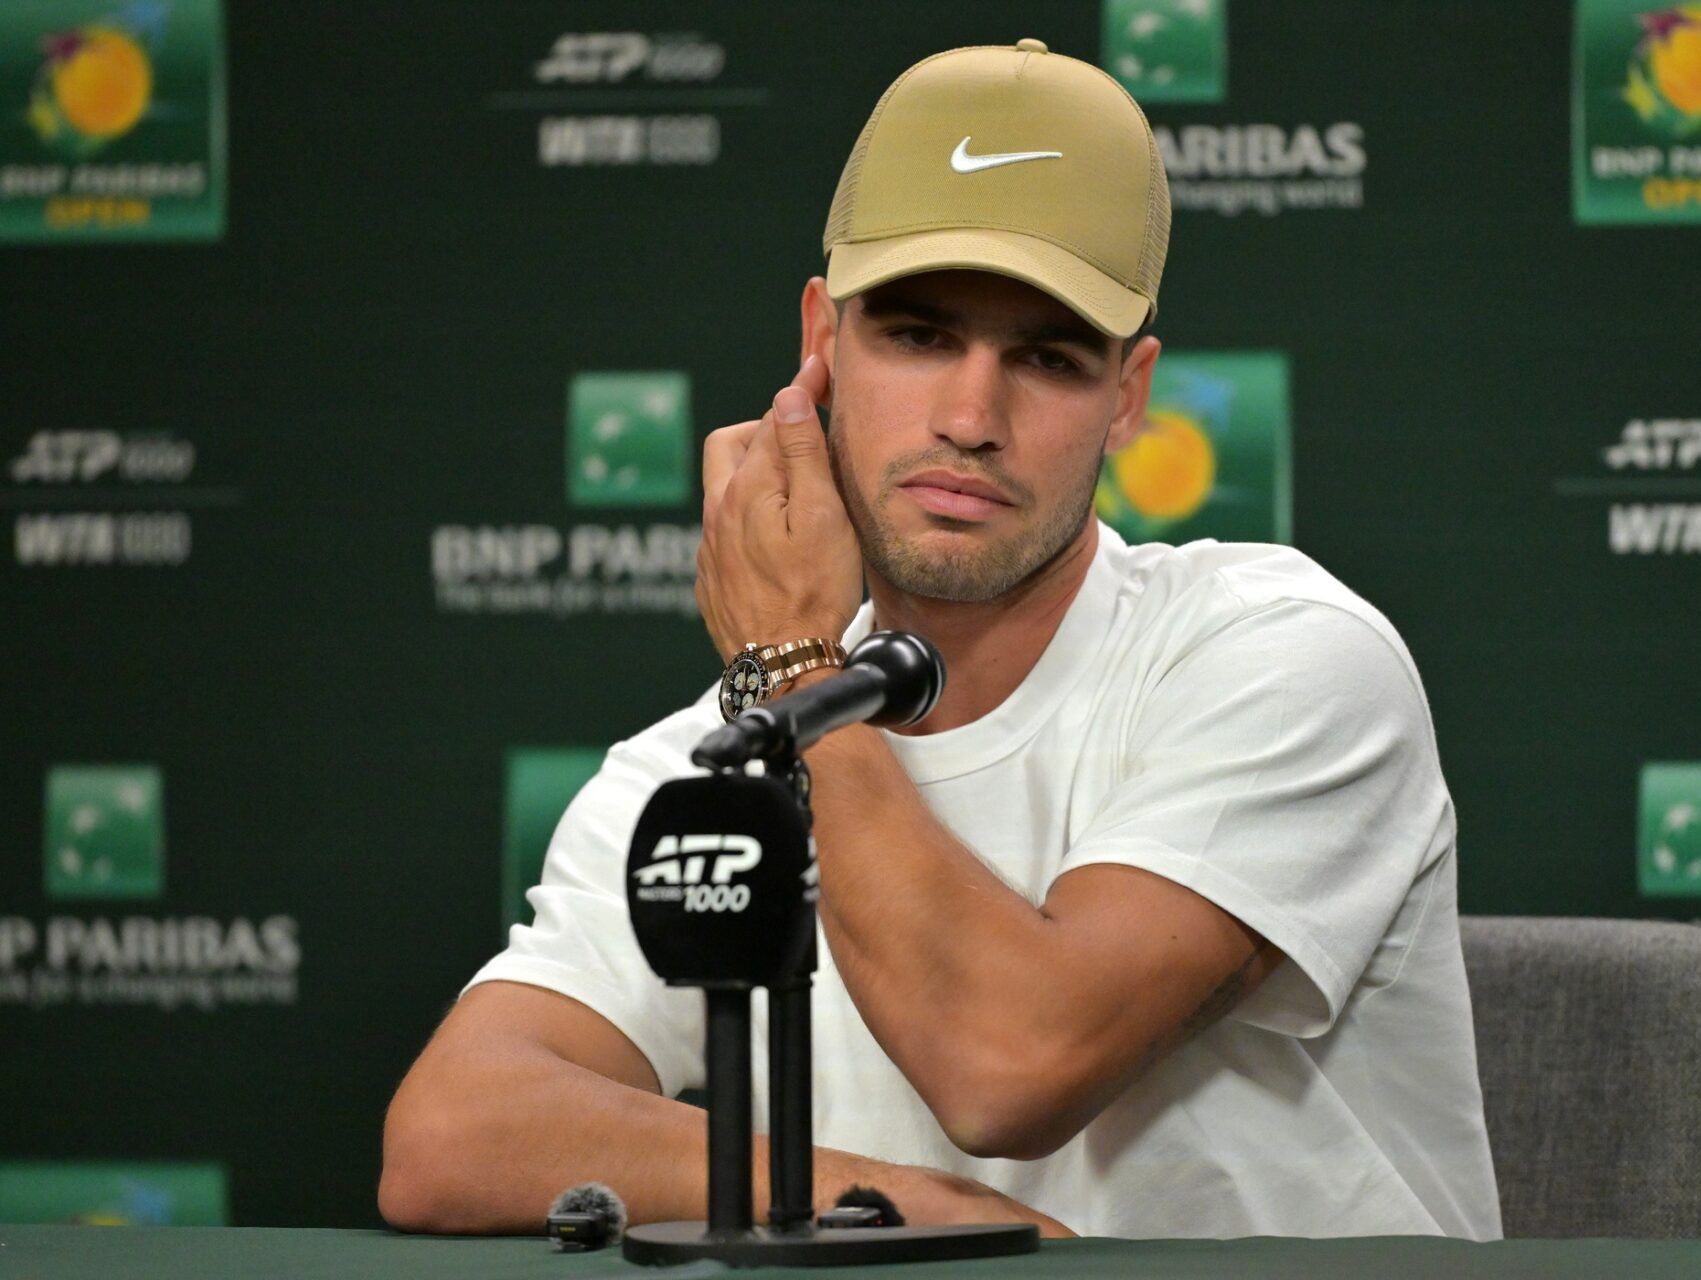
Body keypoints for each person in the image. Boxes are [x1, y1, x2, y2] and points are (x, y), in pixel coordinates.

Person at [380, 38, 1502, 1241]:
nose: (971, 418)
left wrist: (800, 670)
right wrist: (893, 1204)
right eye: (918, 335)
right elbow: (450, 1133)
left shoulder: (1287, 655)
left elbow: (1009, 1065)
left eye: (1047, 357)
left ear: (1129, 394)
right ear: (820, 340)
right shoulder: (700, 760)